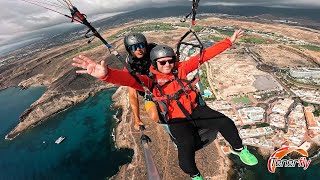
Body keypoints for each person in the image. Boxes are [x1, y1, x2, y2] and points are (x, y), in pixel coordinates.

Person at [72, 29, 258, 180]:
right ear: (155, 63)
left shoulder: (180, 69)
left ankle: (240, 149)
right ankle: (195, 176)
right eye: (163, 62)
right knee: (186, 148)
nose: (168, 65)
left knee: (225, 122)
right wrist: (106, 74)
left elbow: (203, 56)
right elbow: (129, 81)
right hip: (176, 118)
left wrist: (229, 41)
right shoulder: (149, 81)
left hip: (195, 110)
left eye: (170, 61)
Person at [123, 32, 159, 130]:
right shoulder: (130, 67)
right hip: (149, 93)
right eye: (134, 47)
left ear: (145, 45)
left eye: (141, 45)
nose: (138, 49)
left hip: (164, 84)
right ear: (129, 50)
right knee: (155, 117)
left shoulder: (155, 53)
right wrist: (137, 119)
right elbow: (133, 94)